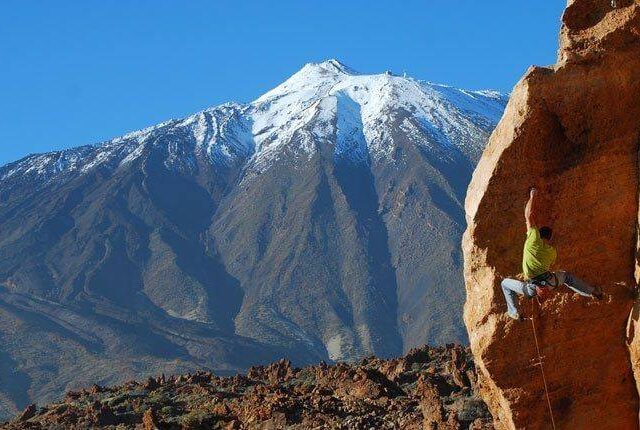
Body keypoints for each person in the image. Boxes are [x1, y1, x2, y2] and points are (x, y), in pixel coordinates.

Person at [500, 187, 603, 320]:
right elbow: (548, 237)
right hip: (550, 282)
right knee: (567, 277)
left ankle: (514, 312)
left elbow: (529, 215)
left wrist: (532, 196)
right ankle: (592, 292)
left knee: (505, 283)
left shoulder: (533, 240)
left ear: (537, 233)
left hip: (533, 287)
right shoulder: (551, 252)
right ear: (549, 238)